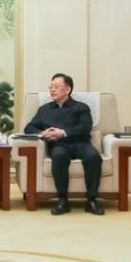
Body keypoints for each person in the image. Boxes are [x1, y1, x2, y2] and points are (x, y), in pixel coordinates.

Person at [24, 73, 104, 215]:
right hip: (59, 145)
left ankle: (91, 201)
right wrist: (43, 133)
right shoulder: (44, 109)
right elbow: (29, 128)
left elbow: (85, 127)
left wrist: (63, 132)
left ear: (67, 89)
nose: (52, 90)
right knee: (58, 156)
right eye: (51, 87)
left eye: (56, 86)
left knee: (94, 157)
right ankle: (63, 200)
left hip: (81, 143)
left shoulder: (81, 107)